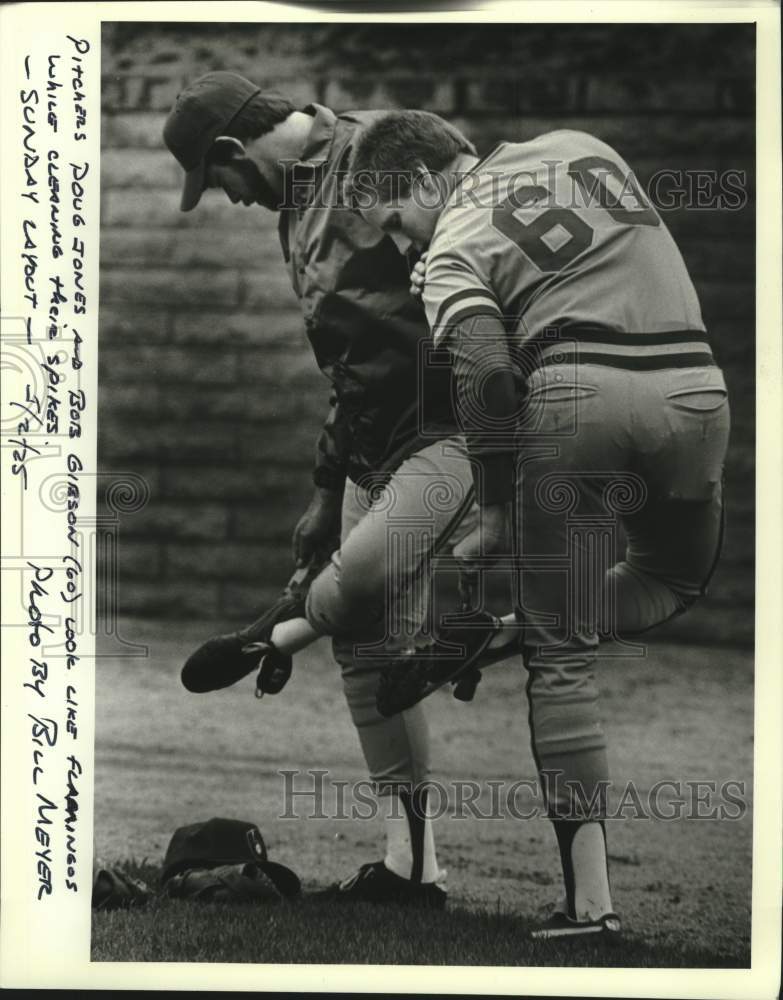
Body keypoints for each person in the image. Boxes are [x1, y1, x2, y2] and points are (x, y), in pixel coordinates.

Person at [348, 111, 730, 936]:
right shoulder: (583, 146)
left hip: (579, 403)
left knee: (564, 661)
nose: (400, 247)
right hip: (696, 387)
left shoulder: (449, 241)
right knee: (672, 580)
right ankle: (520, 620)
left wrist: (490, 509)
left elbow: (487, 381)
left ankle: (591, 906)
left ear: (422, 182)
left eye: (394, 223)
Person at [162, 73, 519, 907]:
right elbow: (348, 365)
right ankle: (411, 869)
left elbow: (484, 285)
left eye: (218, 180)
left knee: (356, 596)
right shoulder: (293, 205)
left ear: (228, 150)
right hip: (371, 450)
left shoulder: (382, 153)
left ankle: (278, 631)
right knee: (367, 653)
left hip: (452, 431)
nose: (227, 199)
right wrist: (326, 487)